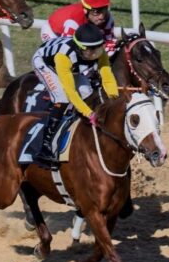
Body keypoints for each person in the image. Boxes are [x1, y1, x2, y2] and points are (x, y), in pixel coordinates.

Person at [31, 23, 119, 167]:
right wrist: (89, 114)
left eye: (98, 49)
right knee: (62, 98)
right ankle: (45, 145)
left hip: (72, 67)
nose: (95, 55)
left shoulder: (98, 52)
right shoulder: (63, 56)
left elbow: (107, 77)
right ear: (80, 48)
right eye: (90, 51)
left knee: (87, 91)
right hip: (46, 63)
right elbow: (70, 92)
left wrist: (115, 99)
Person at [40, 0, 117, 53]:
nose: (101, 17)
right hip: (53, 32)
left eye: (104, 10)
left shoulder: (108, 18)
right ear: (85, 10)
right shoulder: (74, 21)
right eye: (96, 12)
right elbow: (65, 48)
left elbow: (109, 44)